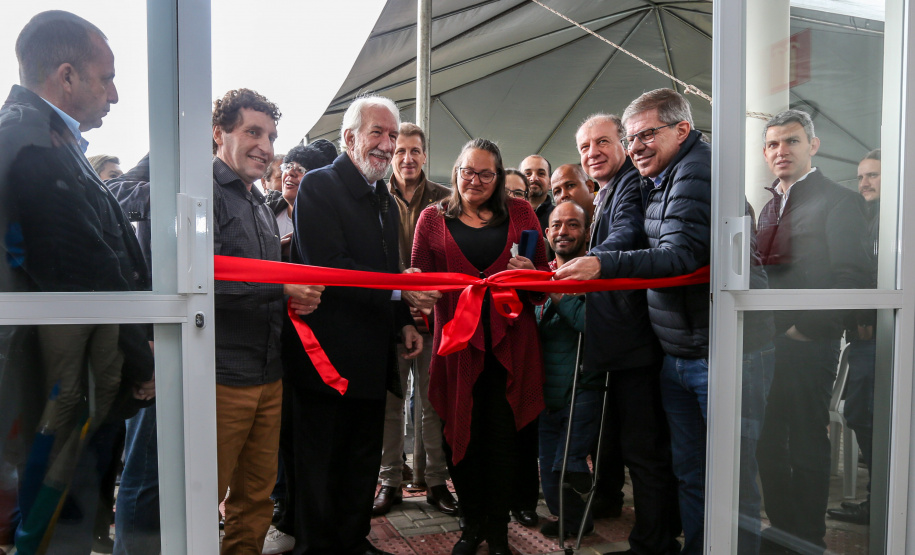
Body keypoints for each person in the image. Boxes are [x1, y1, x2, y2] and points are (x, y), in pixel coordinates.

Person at [0, 11, 154, 554]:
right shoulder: (31, 144)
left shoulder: (46, 138)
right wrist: (142, 359)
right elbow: (85, 269)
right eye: (106, 78)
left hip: (71, 380)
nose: (114, 94)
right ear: (66, 76)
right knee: (56, 531)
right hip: (58, 388)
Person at [556, 91, 714, 554]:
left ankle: (655, 540)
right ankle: (658, 536)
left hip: (652, 340)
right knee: (658, 454)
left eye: (604, 142)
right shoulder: (630, 183)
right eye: (585, 147)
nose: (593, 153)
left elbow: (637, 238)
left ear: (680, 131)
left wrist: (596, 262)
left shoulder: (635, 183)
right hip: (657, 338)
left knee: (651, 452)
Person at [283, 95, 426, 555]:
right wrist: (400, 293)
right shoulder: (319, 186)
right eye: (377, 133)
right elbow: (332, 267)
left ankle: (353, 539)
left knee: (362, 455)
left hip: (371, 354)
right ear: (349, 138)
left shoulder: (384, 197)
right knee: (320, 459)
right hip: (325, 357)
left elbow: (388, 269)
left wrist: (402, 322)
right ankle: (315, 547)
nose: (387, 144)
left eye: (392, 134)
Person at [412, 138, 548, 555]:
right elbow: (419, 279)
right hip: (457, 348)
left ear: (500, 177)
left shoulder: (521, 212)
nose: (475, 181)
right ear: (456, 171)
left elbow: (544, 281)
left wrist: (530, 272)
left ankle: (499, 529)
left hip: (512, 346)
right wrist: (415, 293)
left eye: (486, 174)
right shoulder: (432, 218)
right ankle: (472, 524)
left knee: (505, 440)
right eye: (468, 172)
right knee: (460, 434)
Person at [210, 88, 323, 555]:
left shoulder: (259, 200)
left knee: (256, 497)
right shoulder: (203, 193)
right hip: (222, 377)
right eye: (253, 132)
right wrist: (282, 289)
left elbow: (260, 275)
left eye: (272, 136)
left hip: (268, 373)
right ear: (219, 134)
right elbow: (199, 282)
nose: (266, 146)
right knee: (204, 495)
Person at [755, 110, 870, 553]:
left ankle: (806, 538)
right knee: (768, 442)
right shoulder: (769, 206)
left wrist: (804, 330)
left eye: (792, 141)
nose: (781, 150)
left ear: (813, 146)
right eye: (773, 144)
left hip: (808, 345)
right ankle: (781, 532)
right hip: (766, 345)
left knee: (804, 441)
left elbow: (852, 277)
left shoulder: (840, 201)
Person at [373, 122, 455, 517]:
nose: (407, 158)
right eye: (400, 150)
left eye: (414, 151)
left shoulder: (446, 199)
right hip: (389, 314)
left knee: (432, 403)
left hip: (435, 315)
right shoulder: (375, 196)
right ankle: (389, 482)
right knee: (391, 404)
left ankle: (436, 481)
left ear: (425, 155)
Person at [263, 139, 338, 555]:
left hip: (315, 344)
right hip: (270, 339)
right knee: (279, 432)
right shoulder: (266, 211)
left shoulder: (330, 217)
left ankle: (302, 514)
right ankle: (283, 507)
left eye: (303, 170)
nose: (292, 173)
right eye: (289, 166)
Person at [536, 200, 601, 539]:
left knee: (568, 464)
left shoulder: (595, 275)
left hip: (583, 388)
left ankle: (580, 515)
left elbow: (590, 323)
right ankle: (573, 520)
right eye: (557, 225)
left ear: (587, 232)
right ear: (547, 233)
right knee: (549, 473)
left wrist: (555, 292)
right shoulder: (539, 274)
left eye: (573, 224)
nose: (564, 231)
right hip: (545, 393)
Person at [826, 148, 881, 526]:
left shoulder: (893, 221)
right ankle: (880, 498)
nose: (864, 182)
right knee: (864, 413)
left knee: (868, 413)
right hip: (866, 333)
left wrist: (865, 314)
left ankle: (881, 502)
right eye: (861, 176)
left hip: (878, 331)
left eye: (873, 175)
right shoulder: (863, 216)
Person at [520, 154, 554, 233]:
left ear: (550, 183)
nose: (534, 178)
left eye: (541, 173)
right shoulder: (504, 216)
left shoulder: (560, 217)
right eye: (527, 173)